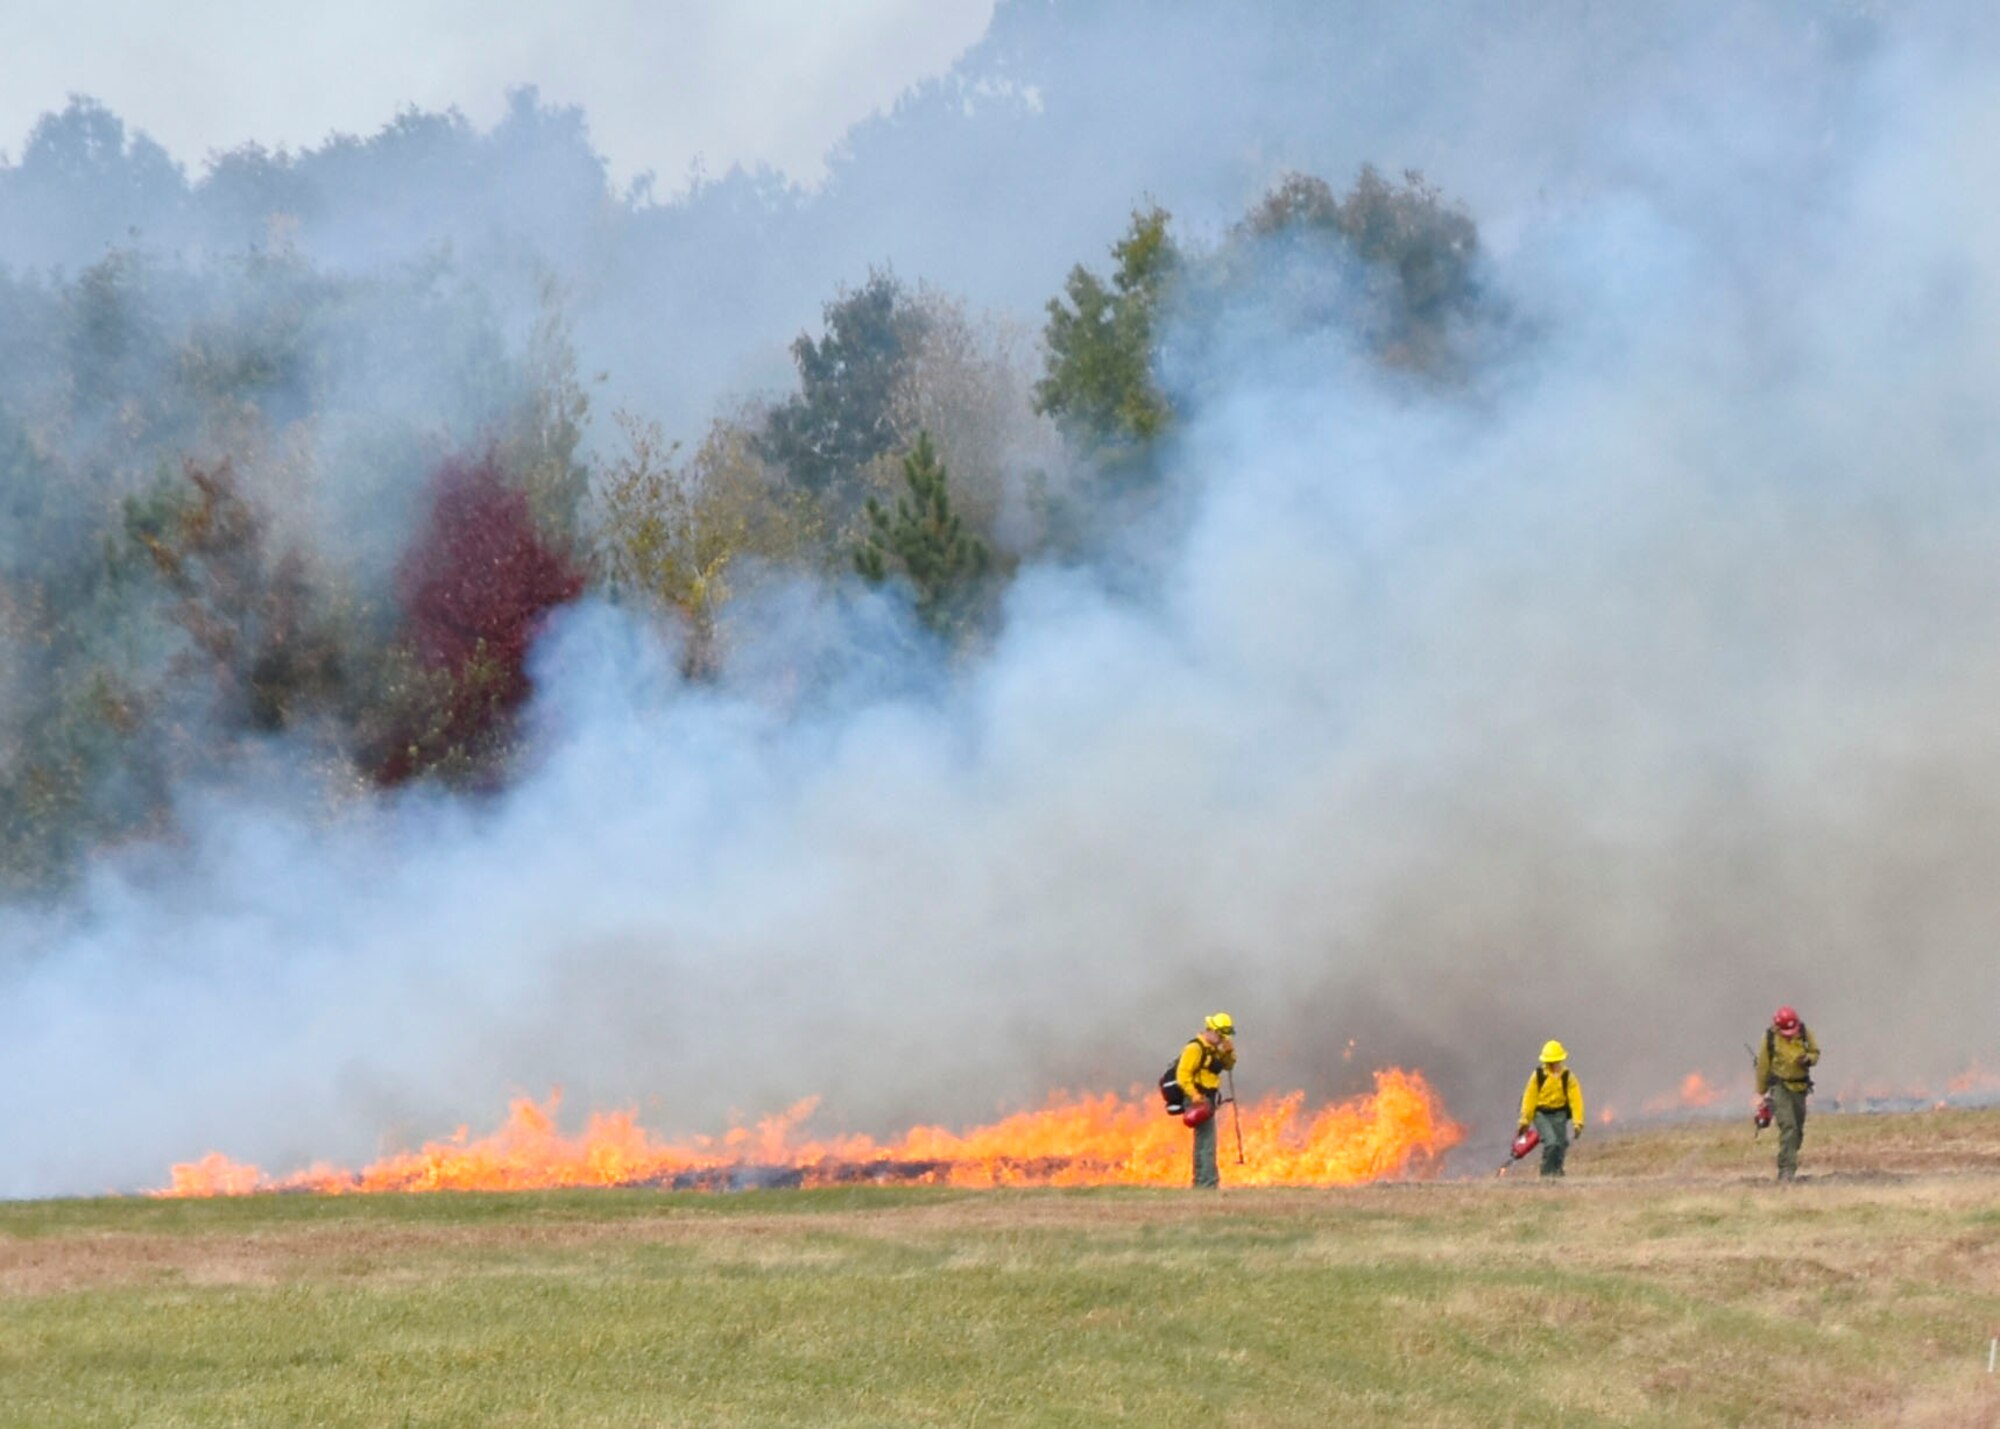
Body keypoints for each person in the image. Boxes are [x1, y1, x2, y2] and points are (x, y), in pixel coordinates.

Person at [1755, 1005, 1819, 1181]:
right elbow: (1763, 1066)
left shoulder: (1805, 1032)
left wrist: (1808, 1059)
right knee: (1788, 1127)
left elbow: (1815, 1052)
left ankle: (1790, 1157)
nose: (1790, 1034)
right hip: (1780, 1088)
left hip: (1799, 1088)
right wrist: (1761, 1093)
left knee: (1797, 1130)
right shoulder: (1770, 1038)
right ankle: (1786, 1171)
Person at [1175, 1012, 1237, 1188]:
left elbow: (1229, 1066)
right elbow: (1182, 1075)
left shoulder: (1213, 1050)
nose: (1221, 1040)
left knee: (1204, 1140)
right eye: (1220, 1036)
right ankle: (1207, 1183)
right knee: (1207, 1142)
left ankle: (1202, 1181)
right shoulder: (1194, 1049)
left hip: (1208, 1099)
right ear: (1211, 1030)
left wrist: (1228, 1053)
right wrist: (1195, 1096)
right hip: (1197, 1099)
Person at [1517, 1040, 1585, 1178]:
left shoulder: (1568, 1077)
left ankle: (1557, 1173)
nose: (1553, 1065)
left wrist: (1578, 1123)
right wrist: (1525, 1121)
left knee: (1561, 1144)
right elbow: (1529, 1098)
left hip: (1560, 1114)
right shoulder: (1538, 1076)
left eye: (1555, 1062)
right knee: (1551, 1143)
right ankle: (1546, 1175)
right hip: (1541, 1114)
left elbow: (1576, 1100)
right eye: (1550, 1062)